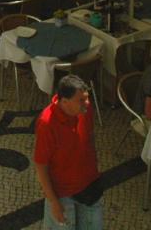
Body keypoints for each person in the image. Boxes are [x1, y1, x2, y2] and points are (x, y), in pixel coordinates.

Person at [34, 74, 104, 229]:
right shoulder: (47, 124)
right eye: (81, 100)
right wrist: (53, 202)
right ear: (64, 102)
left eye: (87, 98)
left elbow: (89, 138)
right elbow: (41, 165)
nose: (87, 103)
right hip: (63, 193)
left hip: (90, 185)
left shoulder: (86, 109)